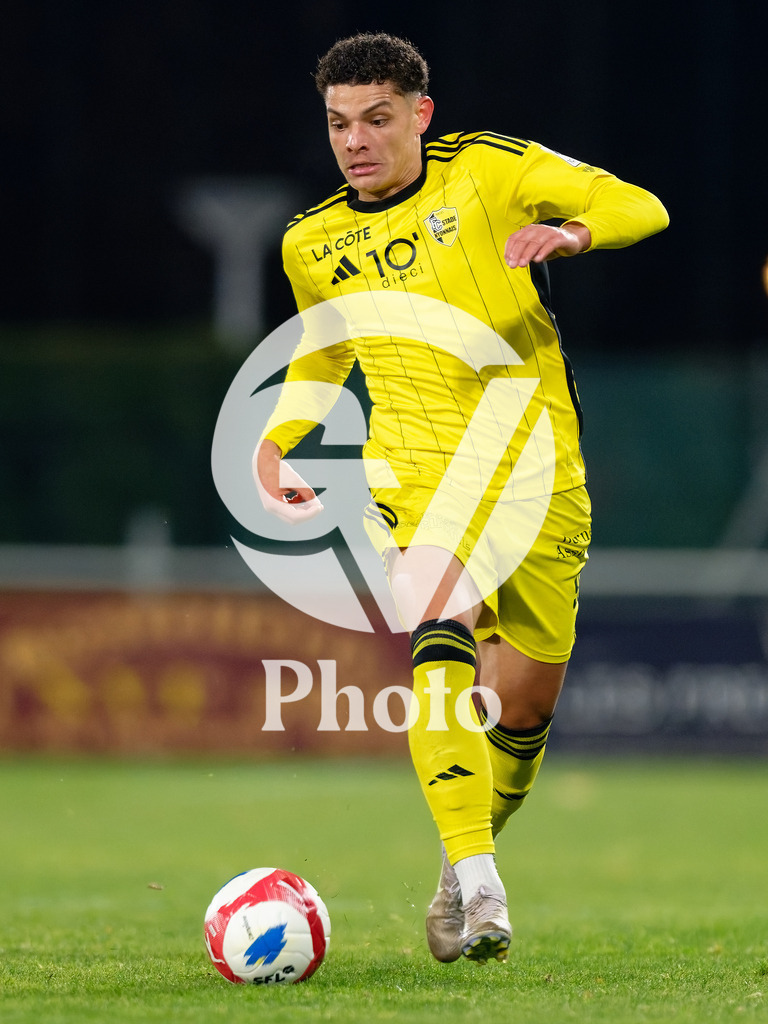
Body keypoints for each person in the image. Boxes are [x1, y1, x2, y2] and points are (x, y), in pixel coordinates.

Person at [254, 32, 669, 965]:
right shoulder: (312, 240)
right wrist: (282, 435)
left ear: (418, 114)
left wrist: (573, 233)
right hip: (420, 480)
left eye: (375, 118)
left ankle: (461, 857)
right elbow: (326, 348)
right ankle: (483, 885)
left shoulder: (489, 172)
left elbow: (643, 206)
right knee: (438, 631)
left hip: (540, 474)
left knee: (519, 711)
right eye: (337, 124)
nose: (354, 140)